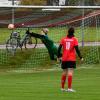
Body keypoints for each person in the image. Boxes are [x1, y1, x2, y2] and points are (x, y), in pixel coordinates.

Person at [57, 27, 83, 92]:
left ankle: (62, 88)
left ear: (68, 32)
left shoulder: (63, 39)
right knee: (70, 72)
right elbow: (77, 49)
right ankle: (69, 88)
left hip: (64, 59)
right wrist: (81, 57)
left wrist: (58, 56)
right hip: (71, 59)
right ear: (73, 32)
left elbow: (59, 49)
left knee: (64, 72)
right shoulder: (74, 39)